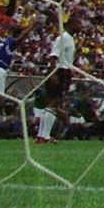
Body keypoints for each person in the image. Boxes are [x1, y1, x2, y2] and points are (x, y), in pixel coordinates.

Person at [36, 15, 76, 143]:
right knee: (54, 103)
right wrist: (53, 74)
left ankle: (41, 136)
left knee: (51, 104)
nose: (81, 27)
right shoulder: (63, 38)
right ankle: (45, 136)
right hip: (60, 71)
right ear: (70, 24)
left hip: (63, 71)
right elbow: (53, 57)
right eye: (78, 24)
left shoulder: (70, 39)